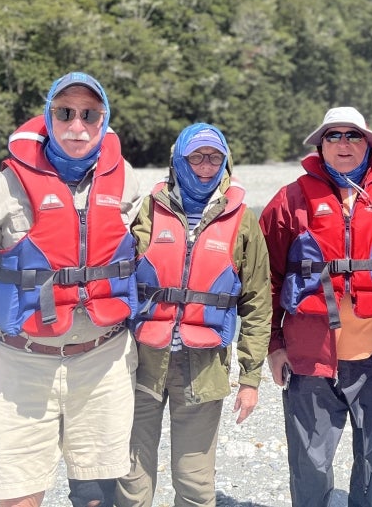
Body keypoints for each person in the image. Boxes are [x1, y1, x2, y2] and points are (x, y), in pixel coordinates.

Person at [0, 72, 140, 507]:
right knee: (16, 495)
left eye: (89, 114)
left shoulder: (126, 181)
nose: (77, 125)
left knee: (97, 494)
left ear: (103, 120)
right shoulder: (7, 187)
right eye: (65, 112)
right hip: (21, 362)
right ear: (48, 117)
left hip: (103, 360)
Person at [258, 106, 372, 507]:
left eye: (353, 135)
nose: (344, 144)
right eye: (333, 136)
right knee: (310, 463)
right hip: (309, 358)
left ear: (368, 143)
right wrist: (273, 344)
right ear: (321, 145)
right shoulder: (290, 201)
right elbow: (265, 281)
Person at [114, 124, 271, 507]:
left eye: (214, 157)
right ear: (178, 160)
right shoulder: (147, 209)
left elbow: (257, 303)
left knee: (195, 480)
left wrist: (250, 378)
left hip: (204, 366)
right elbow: (115, 277)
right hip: (141, 363)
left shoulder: (244, 221)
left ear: (226, 161)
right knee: (131, 476)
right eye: (196, 157)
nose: (205, 166)